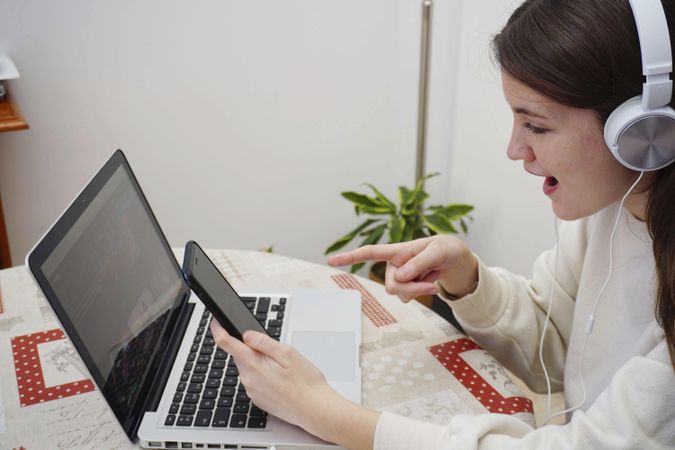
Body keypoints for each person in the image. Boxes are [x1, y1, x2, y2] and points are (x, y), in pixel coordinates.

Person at [210, 0, 675, 448]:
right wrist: (467, 277)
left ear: (642, 132)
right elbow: (557, 347)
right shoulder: (611, 210)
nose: (515, 149)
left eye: (536, 126)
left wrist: (326, 414)